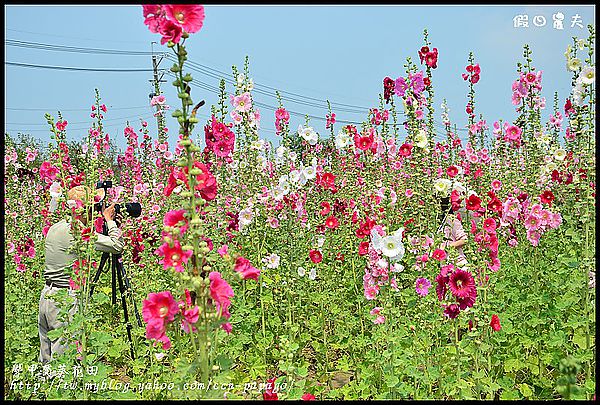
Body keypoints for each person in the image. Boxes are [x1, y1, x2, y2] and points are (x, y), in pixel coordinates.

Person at [39, 185, 124, 364]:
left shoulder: (55, 227)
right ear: (86, 210)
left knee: (46, 358)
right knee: (64, 361)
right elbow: (117, 246)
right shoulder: (79, 233)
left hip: (46, 296)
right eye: (93, 208)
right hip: (65, 300)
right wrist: (109, 221)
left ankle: (44, 390)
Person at [438, 196, 468, 268]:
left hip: (457, 264)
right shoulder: (437, 223)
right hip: (445, 265)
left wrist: (447, 247)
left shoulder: (452, 220)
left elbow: (464, 240)